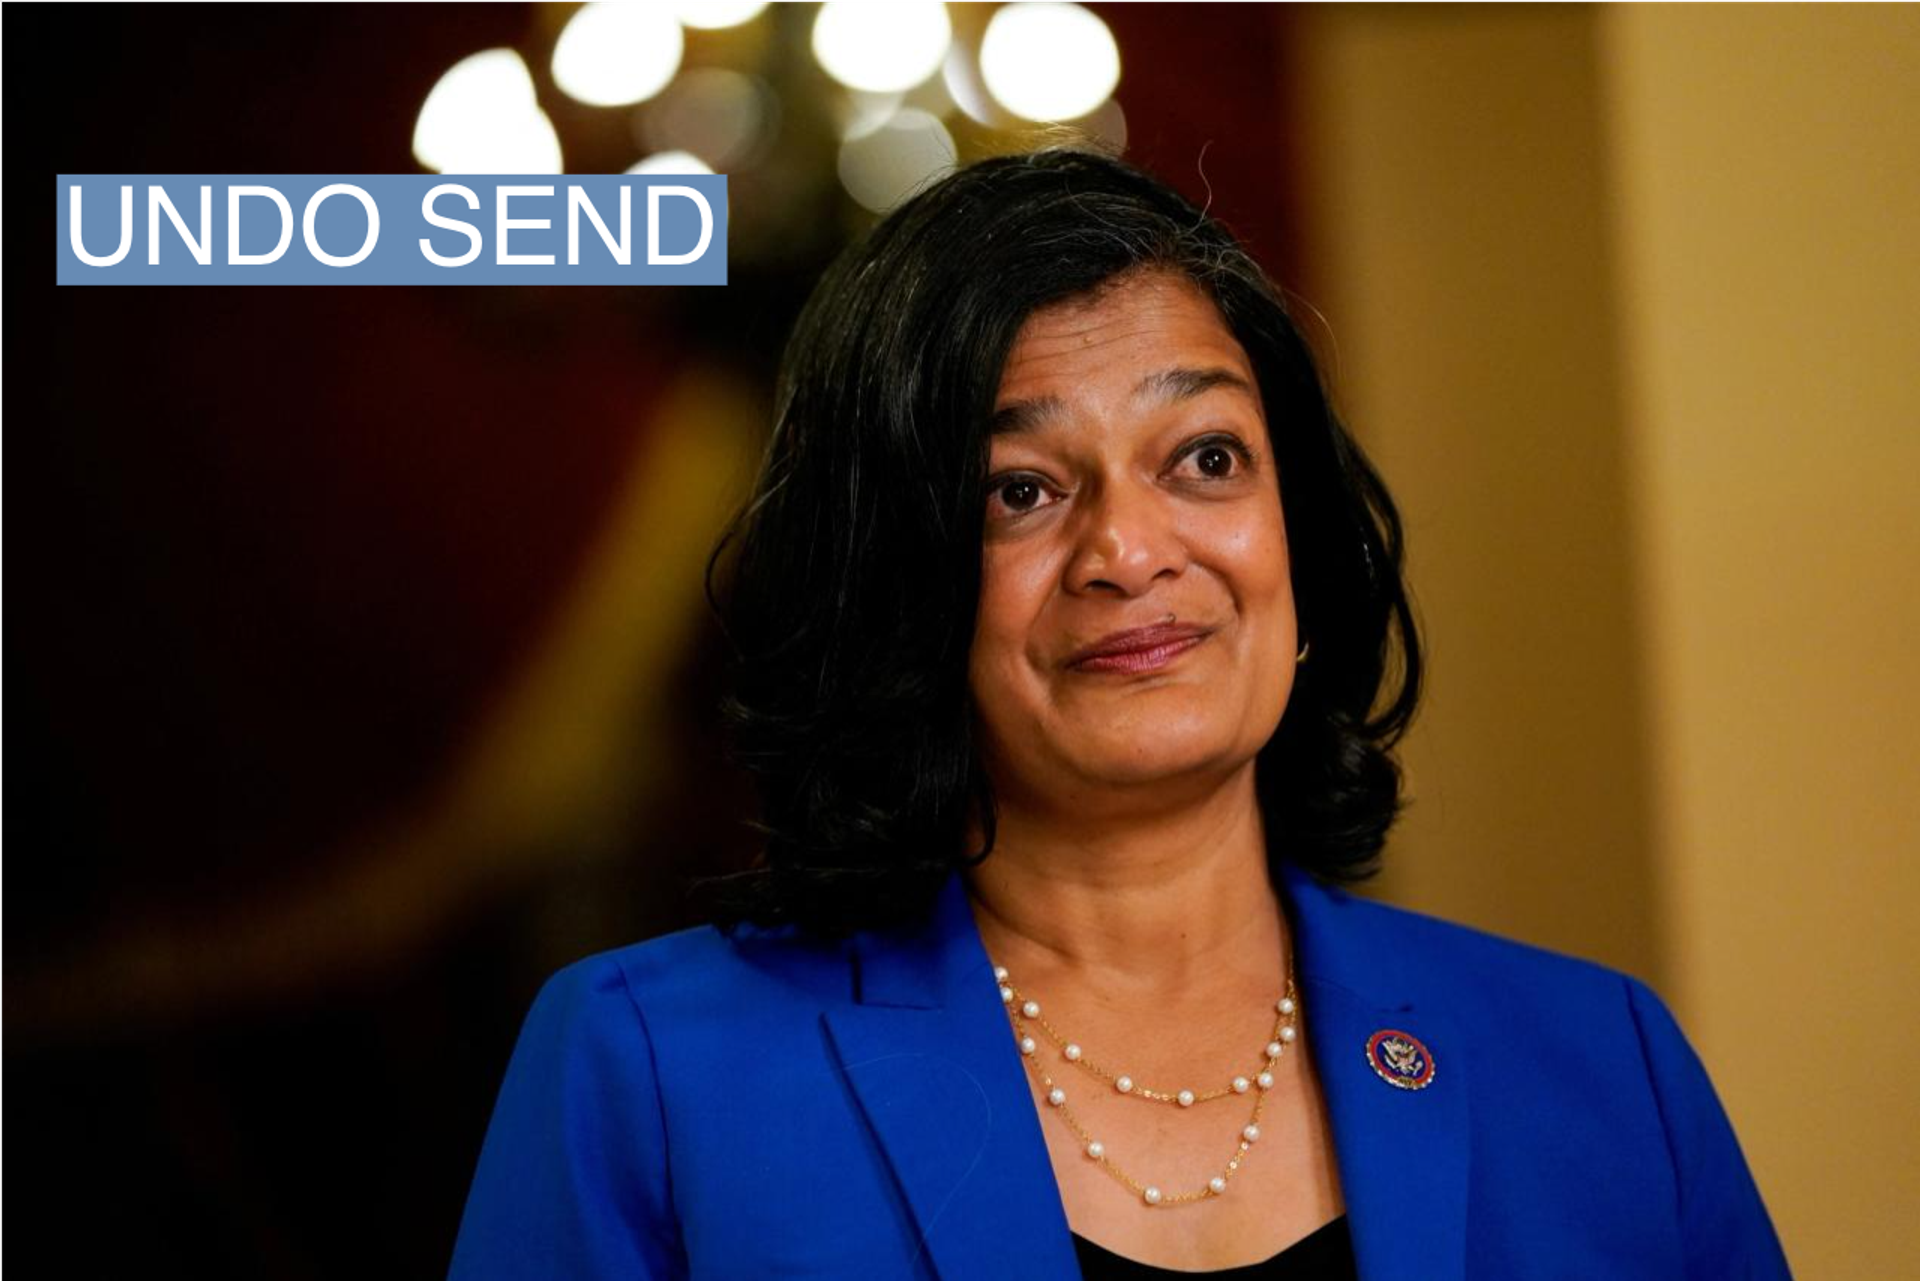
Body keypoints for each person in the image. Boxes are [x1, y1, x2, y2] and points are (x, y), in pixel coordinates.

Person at [448, 149, 1790, 1280]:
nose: (1130, 552)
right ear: (901, 593)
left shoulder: (1603, 1067)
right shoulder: (651, 1073)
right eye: (1019, 489)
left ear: (1297, 547)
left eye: (1204, 459)